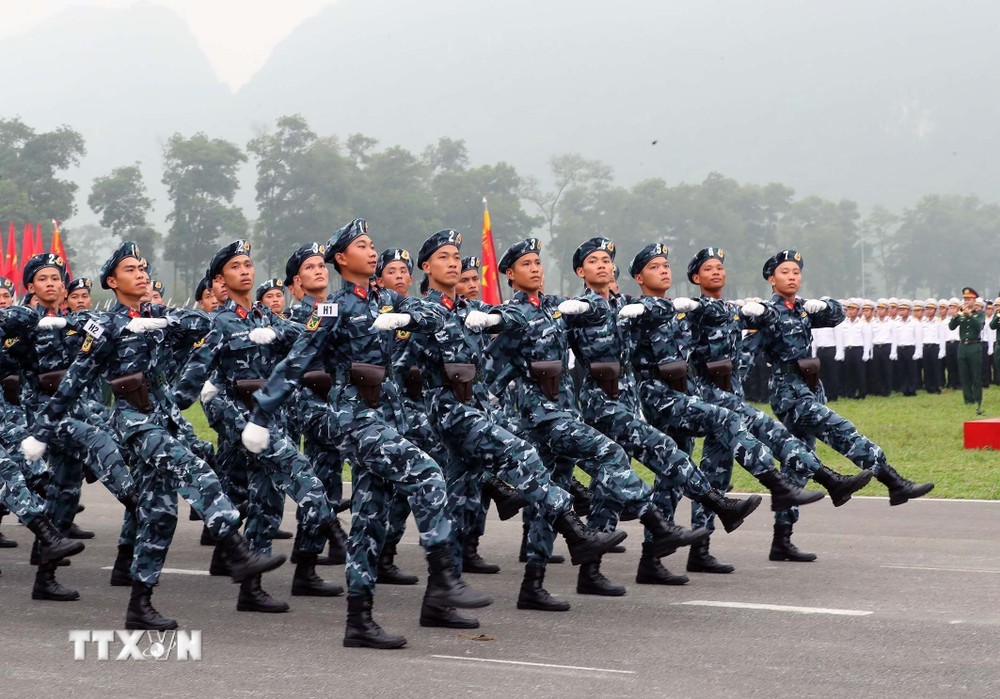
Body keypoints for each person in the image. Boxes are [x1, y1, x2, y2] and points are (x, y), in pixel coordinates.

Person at [243, 219, 492, 649]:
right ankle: (443, 579)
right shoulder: (332, 309)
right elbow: (297, 361)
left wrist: (408, 313)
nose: (372, 251)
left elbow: (431, 312)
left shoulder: (388, 299)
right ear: (342, 259)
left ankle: (359, 620)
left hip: (388, 416)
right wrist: (262, 414)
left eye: (373, 244)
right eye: (362, 245)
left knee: (370, 521)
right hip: (356, 419)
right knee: (428, 474)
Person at [22, 241, 284, 629]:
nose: (141, 274)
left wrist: (160, 319)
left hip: (163, 418)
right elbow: (74, 381)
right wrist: (42, 432)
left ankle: (139, 605)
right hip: (133, 422)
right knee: (196, 471)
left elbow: (202, 326)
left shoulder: (156, 314)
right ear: (111, 281)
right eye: (130, 270)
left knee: (159, 515)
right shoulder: (105, 326)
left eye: (143, 268)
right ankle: (236, 550)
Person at [174, 240, 341, 611]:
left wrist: (285, 331)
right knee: (290, 462)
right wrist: (183, 403)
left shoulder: (267, 317)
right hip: (233, 409)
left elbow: (304, 337)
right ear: (221, 279)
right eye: (235, 266)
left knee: (267, 498)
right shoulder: (216, 321)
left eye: (248, 264)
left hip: (265, 413)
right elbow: (192, 378)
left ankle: (251, 587)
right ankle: (334, 529)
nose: (245, 271)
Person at [682, 247, 871, 567]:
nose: (716, 272)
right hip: (712, 398)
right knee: (771, 438)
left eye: (720, 267)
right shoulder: (694, 310)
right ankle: (828, 478)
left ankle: (701, 550)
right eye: (708, 268)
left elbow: (748, 348)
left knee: (716, 475)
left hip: (732, 394)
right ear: (696, 278)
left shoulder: (733, 310)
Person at [753, 249, 934, 557]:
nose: (792, 276)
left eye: (796, 272)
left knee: (797, 462)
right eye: (784, 272)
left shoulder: (801, 309)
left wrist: (824, 304)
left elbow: (837, 316)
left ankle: (781, 539)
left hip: (810, 386)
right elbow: (748, 350)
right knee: (840, 430)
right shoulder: (767, 313)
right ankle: (891, 480)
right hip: (788, 390)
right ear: (771, 279)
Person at [951, 287, 985, 414]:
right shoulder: (961, 313)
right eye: (965, 299)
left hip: (974, 346)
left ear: (974, 300)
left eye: (969, 299)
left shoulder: (979, 314)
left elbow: (978, 326)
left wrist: (969, 315)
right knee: (964, 375)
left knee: (975, 375)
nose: (966, 301)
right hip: (962, 347)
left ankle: (977, 399)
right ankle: (968, 400)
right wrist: (954, 317)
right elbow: (951, 327)